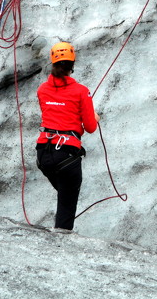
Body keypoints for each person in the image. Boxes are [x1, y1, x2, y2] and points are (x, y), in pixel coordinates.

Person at [36, 41, 99, 233]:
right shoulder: (81, 91)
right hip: (67, 155)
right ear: (72, 65)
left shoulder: (42, 90)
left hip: (43, 154)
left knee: (65, 196)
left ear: (53, 63)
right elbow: (90, 127)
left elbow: (54, 114)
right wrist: (94, 117)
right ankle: (61, 246)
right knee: (67, 201)